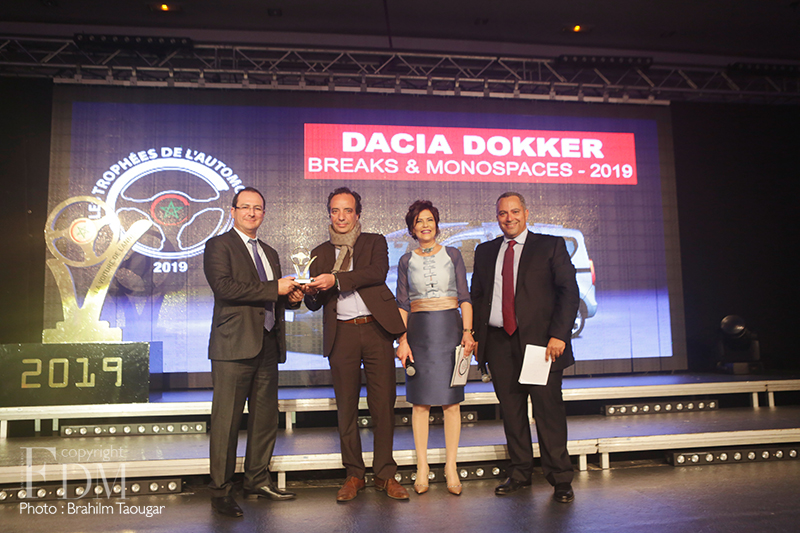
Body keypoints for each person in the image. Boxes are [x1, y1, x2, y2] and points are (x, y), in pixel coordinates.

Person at [470, 192, 580, 503]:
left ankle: (560, 478)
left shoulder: (550, 246)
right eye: (503, 213)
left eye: (515, 211)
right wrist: (477, 337)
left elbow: (569, 292)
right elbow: (478, 296)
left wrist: (559, 335)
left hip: (540, 345)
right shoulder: (485, 251)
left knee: (547, 412)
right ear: (497, 217)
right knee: (511, 412)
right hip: (499, 343)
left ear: (526, 213)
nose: (509, 218)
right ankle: (519, 472)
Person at [303, 187, 409, 502]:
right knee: (346, 407)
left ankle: (385, 474)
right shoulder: (319, 253)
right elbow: (315, 303)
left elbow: (376, 273)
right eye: (335, 211)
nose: (341, 217)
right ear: (329, 214)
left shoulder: (374, 242)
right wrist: (309, 292)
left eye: (347, 210)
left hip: (376, 329)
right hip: (342, 334)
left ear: (357, 214)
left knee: (383, 405)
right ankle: (353, 474)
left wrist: (336, 280)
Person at [203, 186, 304, 517]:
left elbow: (268, 298)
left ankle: (257, 480)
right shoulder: (219, 245)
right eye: (245, 207)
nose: (251, 212)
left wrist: (289, 298)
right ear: (232, 211)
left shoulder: (269, 252)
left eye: (257, 208)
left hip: (267, 345)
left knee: (265, 419)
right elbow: (225, 287)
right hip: (233, 345)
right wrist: (275, 288)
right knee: (227, 421)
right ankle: (220, 490)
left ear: (263, 213)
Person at [395, 200, 476, 496]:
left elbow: (464, 296)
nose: (425, 225)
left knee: (451, 403)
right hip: (419, 333)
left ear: (437, 224)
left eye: (429, 220)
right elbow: (402, 304)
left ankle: (451, 466)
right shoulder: (406, 261)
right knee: (420, 404)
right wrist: (402, 339)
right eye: (419, 221)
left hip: (450, 331)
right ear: (412, 228)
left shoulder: (452, 254)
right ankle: (422, 467)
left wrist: (467, 332)